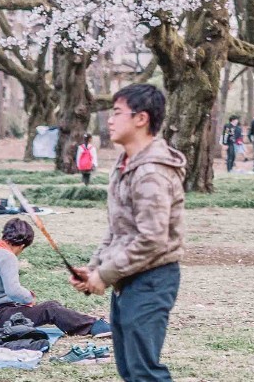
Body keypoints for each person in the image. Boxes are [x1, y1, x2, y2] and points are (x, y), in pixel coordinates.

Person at [70, 83, 185, 382]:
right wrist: (95, 268)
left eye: (117, 113)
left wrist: (105, 275)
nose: (109, 120)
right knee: (129, 369)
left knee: (144, 372)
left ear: (141, 119)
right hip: (127, 278)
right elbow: (118, 229)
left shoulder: (152, 171)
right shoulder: (123, 166)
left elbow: (152, 239)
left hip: (152, 279)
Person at [0, 219, 107, 337]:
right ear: (22, 246)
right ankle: (93, 326)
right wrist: (30, 298)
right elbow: (14, 292)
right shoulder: (7, 256)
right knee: (50, 309)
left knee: (51, 306)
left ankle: (84, 323)